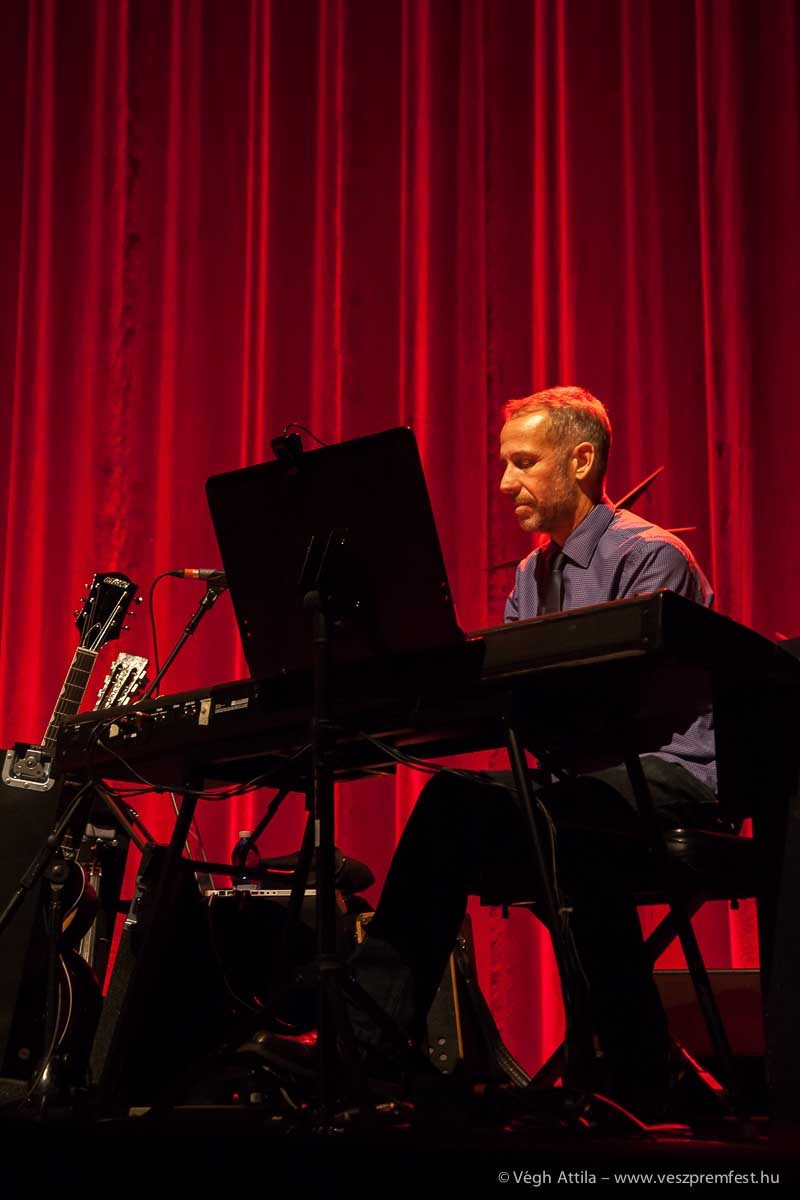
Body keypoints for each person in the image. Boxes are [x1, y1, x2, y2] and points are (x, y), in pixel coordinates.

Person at [258, 386, 721, 1115]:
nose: (505, 483)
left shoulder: (651, 556)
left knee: (480, 810)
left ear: (581, 460)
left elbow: (628, 709)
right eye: (506, 465)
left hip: (669, 776)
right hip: (583, 788)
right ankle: (630, 1066)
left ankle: (368, 1044)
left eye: (523, 463)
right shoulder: (533, 576)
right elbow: (526, 703)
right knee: (477, 814)